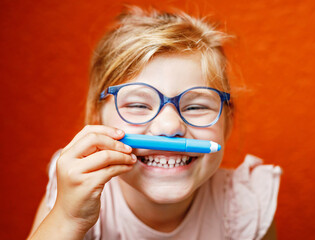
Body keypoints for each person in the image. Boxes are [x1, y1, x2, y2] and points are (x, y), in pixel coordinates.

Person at [28, 6, 281, 240]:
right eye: (138, 105)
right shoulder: (75, 192)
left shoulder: (246, 208)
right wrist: (68, 218)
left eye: (196, 106)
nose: (169, 128)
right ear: (97, 117)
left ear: (227, 123)